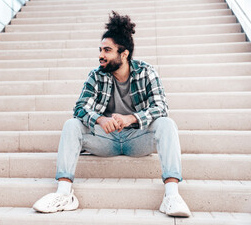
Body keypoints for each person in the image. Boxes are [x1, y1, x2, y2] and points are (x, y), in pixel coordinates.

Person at [32, 11, 191, 217]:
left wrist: (131, 118)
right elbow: (80, 108)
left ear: (123, 54)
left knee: (167, 124)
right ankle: (64, 194)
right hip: (106, 140)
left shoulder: (146, 71)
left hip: (137, 139)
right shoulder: (96, 75)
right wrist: (100, 119)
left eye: (107, 50)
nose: (101, 55)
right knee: (71, 125)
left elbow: (160, 107)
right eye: (100, 50)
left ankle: (171, 196)